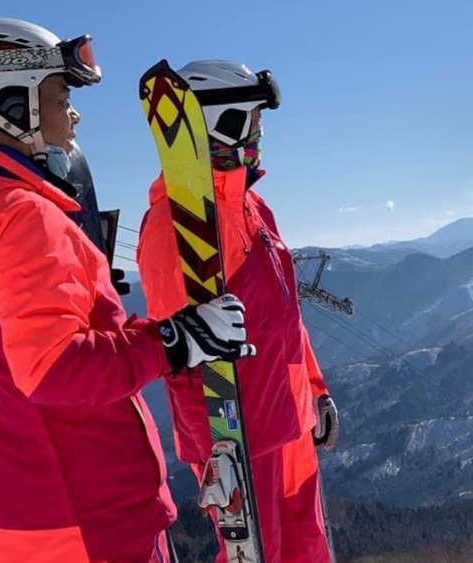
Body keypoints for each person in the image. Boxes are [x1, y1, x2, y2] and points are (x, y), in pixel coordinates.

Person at [0, 19, 253, 563]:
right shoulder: (19, 215)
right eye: (60, 95)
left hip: (5, 506)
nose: (73, 114)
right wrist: (175, 341)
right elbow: (56, 368)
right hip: (86, 511)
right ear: (11, 104)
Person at [137, 60, 340, 563]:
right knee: (257, 552)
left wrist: (315, 391)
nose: (258, 134)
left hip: (288, 417)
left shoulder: (254, 207)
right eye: (251, 120)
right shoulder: (172, 225)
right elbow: (180, 353)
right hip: (240, 430)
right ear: (219, 121)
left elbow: (285, 317)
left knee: (306, 546)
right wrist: (218, 449)